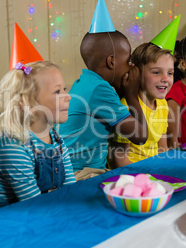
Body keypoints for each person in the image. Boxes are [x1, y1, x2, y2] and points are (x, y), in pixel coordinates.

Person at [0, 61, 76, 211]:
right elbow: (34, 204)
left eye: (64, 89)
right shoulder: (13, 147)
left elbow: (70, 188)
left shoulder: (55, 138)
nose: (68, 96)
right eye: (57, 92)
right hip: (9, 218)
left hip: (45, 207)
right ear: (27, 102)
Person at [59, 31, 148, 180]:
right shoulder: (99, 89)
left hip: (71, 170)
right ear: (111, 61)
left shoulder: (85, 83)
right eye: (128, 60)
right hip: (81, 175)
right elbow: (140, 136)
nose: (130, 66)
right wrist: (132, 94)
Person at [111, 42, 173, 168]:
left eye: (170, 73)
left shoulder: (163, 104)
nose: (166, 78)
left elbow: (162, 148)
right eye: (157, 72)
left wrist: (165, 168)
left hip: (154, 168)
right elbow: (120, 158)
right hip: (132, 173)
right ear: (137, 74)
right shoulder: (126, 107)